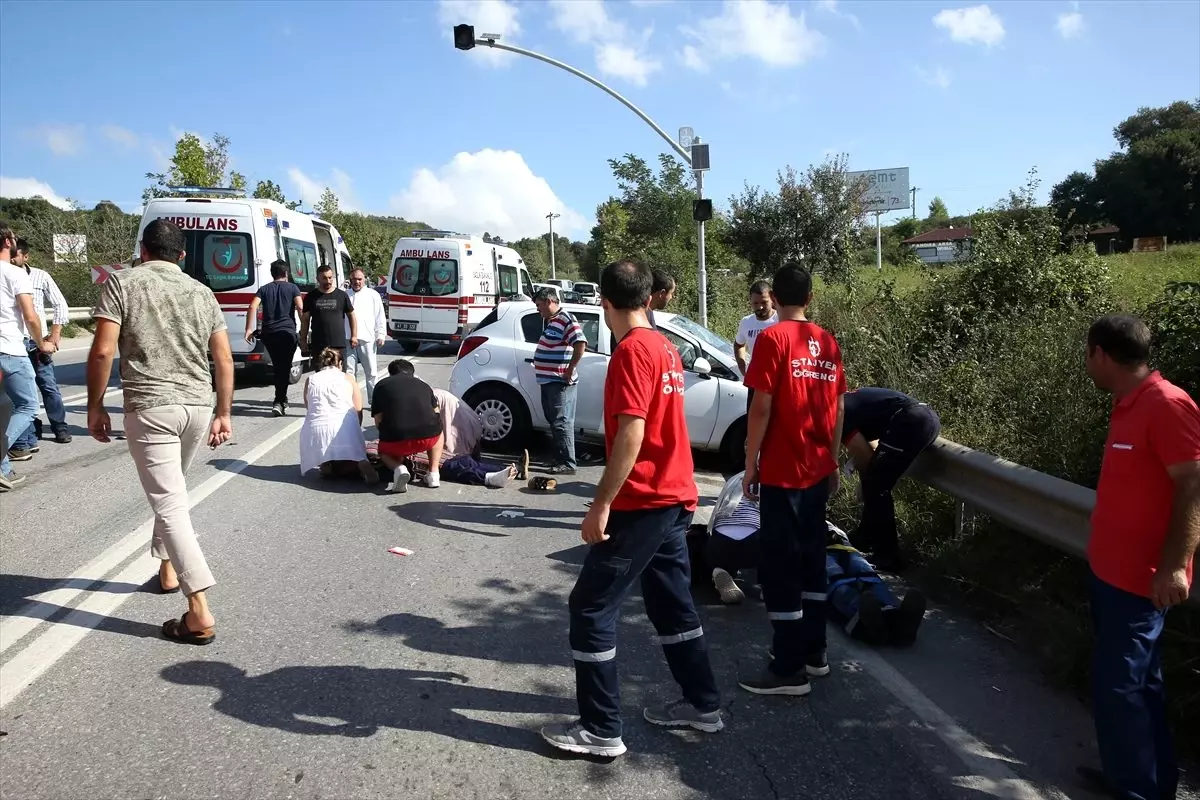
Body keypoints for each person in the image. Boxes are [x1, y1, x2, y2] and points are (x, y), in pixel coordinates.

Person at [541, 259, 721, 759]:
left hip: (643, 501)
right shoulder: (665, 347)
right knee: (671, 604)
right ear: (648, 297)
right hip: (675, 496)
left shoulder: (631, 352)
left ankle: (600, 729)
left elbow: (632, 434)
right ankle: (703, 705)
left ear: (604, 301)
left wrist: (600, 505)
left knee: (591, 607)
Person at [87, 218, 232, 644]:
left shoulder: (122, 283)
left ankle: (199, 607)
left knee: (170, 503)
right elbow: (222, 359)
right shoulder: (202, 292)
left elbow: (102, 350)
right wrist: (224, 412)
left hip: (151, 406)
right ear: (182, 256)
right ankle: (167, 570)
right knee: (173, 491)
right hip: (197, 407)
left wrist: (96, 406)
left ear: (143, 250)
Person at [1075, 314, 1199, 800]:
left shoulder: (1167, 405)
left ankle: (1137, 790)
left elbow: (1193, 485)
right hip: (1109, 572)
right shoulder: (1128, 404)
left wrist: (1174, 566)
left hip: (1141, 582)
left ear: (1101, 354)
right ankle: (1142, 779)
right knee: (1137, 688)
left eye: (1088, 354)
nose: (1087, 363)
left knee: (1119, 689)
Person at [739, 263, 846, 697]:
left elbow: (761, 407)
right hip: (818, 469)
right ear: (810, 298)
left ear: (776, 299)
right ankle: (815, 653)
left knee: (781, 567)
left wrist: (751, 463)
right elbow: (839, 409)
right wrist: (834, 461)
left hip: (784, 470)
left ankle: (787, 668)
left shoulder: (771, 339)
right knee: (812, 561)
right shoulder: (826, 341)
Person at [841, 387, 942, 572]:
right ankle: (865, 538)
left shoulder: (836, 412)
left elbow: (864, 453)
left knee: (876, 485)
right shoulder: (846, 401)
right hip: (923, 417)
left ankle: (888, 557)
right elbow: (868, 447)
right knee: (875, 482)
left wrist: (864, 485)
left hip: (911, 420)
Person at [1, 224, 53, 492]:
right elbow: (30, 315)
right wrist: (41, 342)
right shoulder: (15, 273)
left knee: (3, 407)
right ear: (9, 242)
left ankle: (4, 470)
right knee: (28, 406)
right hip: (9, 349)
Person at [10, 239, 72, 450]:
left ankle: (59, 426)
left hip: (38, 343)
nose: (10, 259)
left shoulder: (40, 276)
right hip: (13, 344)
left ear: (25, 257)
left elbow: (59, 304)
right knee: (19, 393)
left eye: (15, 255)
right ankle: (29, 433)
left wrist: (54, 335)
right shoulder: (5, 276)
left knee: (48, 386)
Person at [298, 347, 377, 484]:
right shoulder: (348, 378)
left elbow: (309, 408)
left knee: (323, 436)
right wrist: (355, 432)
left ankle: (326, 464)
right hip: (343, 425)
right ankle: (361, 462)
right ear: (340, 364)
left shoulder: (310, 380)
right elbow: (358, 409)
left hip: (316, 429)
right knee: (354, 450)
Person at [532, 287, 586, 475]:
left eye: (539, 305)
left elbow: (580, 343)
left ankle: (567, 463)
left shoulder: (566, 319)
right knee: (554, 420)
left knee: (561, 421)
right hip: (548, 381)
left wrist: (570, 369)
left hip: (559, 381)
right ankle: (559, 457)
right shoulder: (551, 321)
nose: (537, 310)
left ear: (549, 302)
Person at [371, 358, 444, 492]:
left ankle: (399, 468)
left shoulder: (381, 385)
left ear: (390, 373)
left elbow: (378, 421)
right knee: (438, 432)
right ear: (412, 373)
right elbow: (436, 413)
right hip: (427, 438)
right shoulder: (424, 385)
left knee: (382, 451)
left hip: (394, 441)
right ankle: (434, 473)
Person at [244, 259, 303, 417]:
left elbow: (252, 306)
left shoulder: (264, 289)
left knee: (279, 367)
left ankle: (282, 400)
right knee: (283, 367)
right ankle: (279, 401)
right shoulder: (293, 288)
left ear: (273, 274)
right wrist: (304, 330)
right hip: (287, 333)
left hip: (269, 334)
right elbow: (300, 307)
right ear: (285, 273)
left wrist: (249, 329)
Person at [345, 268, 387, 404]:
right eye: (354, 279)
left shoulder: (372, 295)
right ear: (350, 280)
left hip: (367, 339)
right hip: (348, 338)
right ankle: (352, 401)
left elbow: (380, 316)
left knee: (371, 372)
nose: (357, 282)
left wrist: (380, 334)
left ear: (364, 279)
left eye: (359, 279)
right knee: (349, 373)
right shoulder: (345, 295)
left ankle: (373, 401)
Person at [734, 281, 777, 411]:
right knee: (754, 422)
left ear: (772, 299)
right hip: (756, 382)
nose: (760, 307)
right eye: (755, 303)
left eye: (764, 302)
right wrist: (743, 369)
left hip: (778, 382)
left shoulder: (781, 319)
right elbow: (738, 344)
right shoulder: (747, 322)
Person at [299, 264, 355, 365]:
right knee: (320, 375)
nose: (328, 281)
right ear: (318, 279)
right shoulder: (311, 297)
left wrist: (354, 336)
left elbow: (352, 316)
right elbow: (305, 320)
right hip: (319, 344)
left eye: (330, 277)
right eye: (324, 278)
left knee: (339, 375)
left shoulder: (342, 295)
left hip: (338, 344)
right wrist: (303, 340)